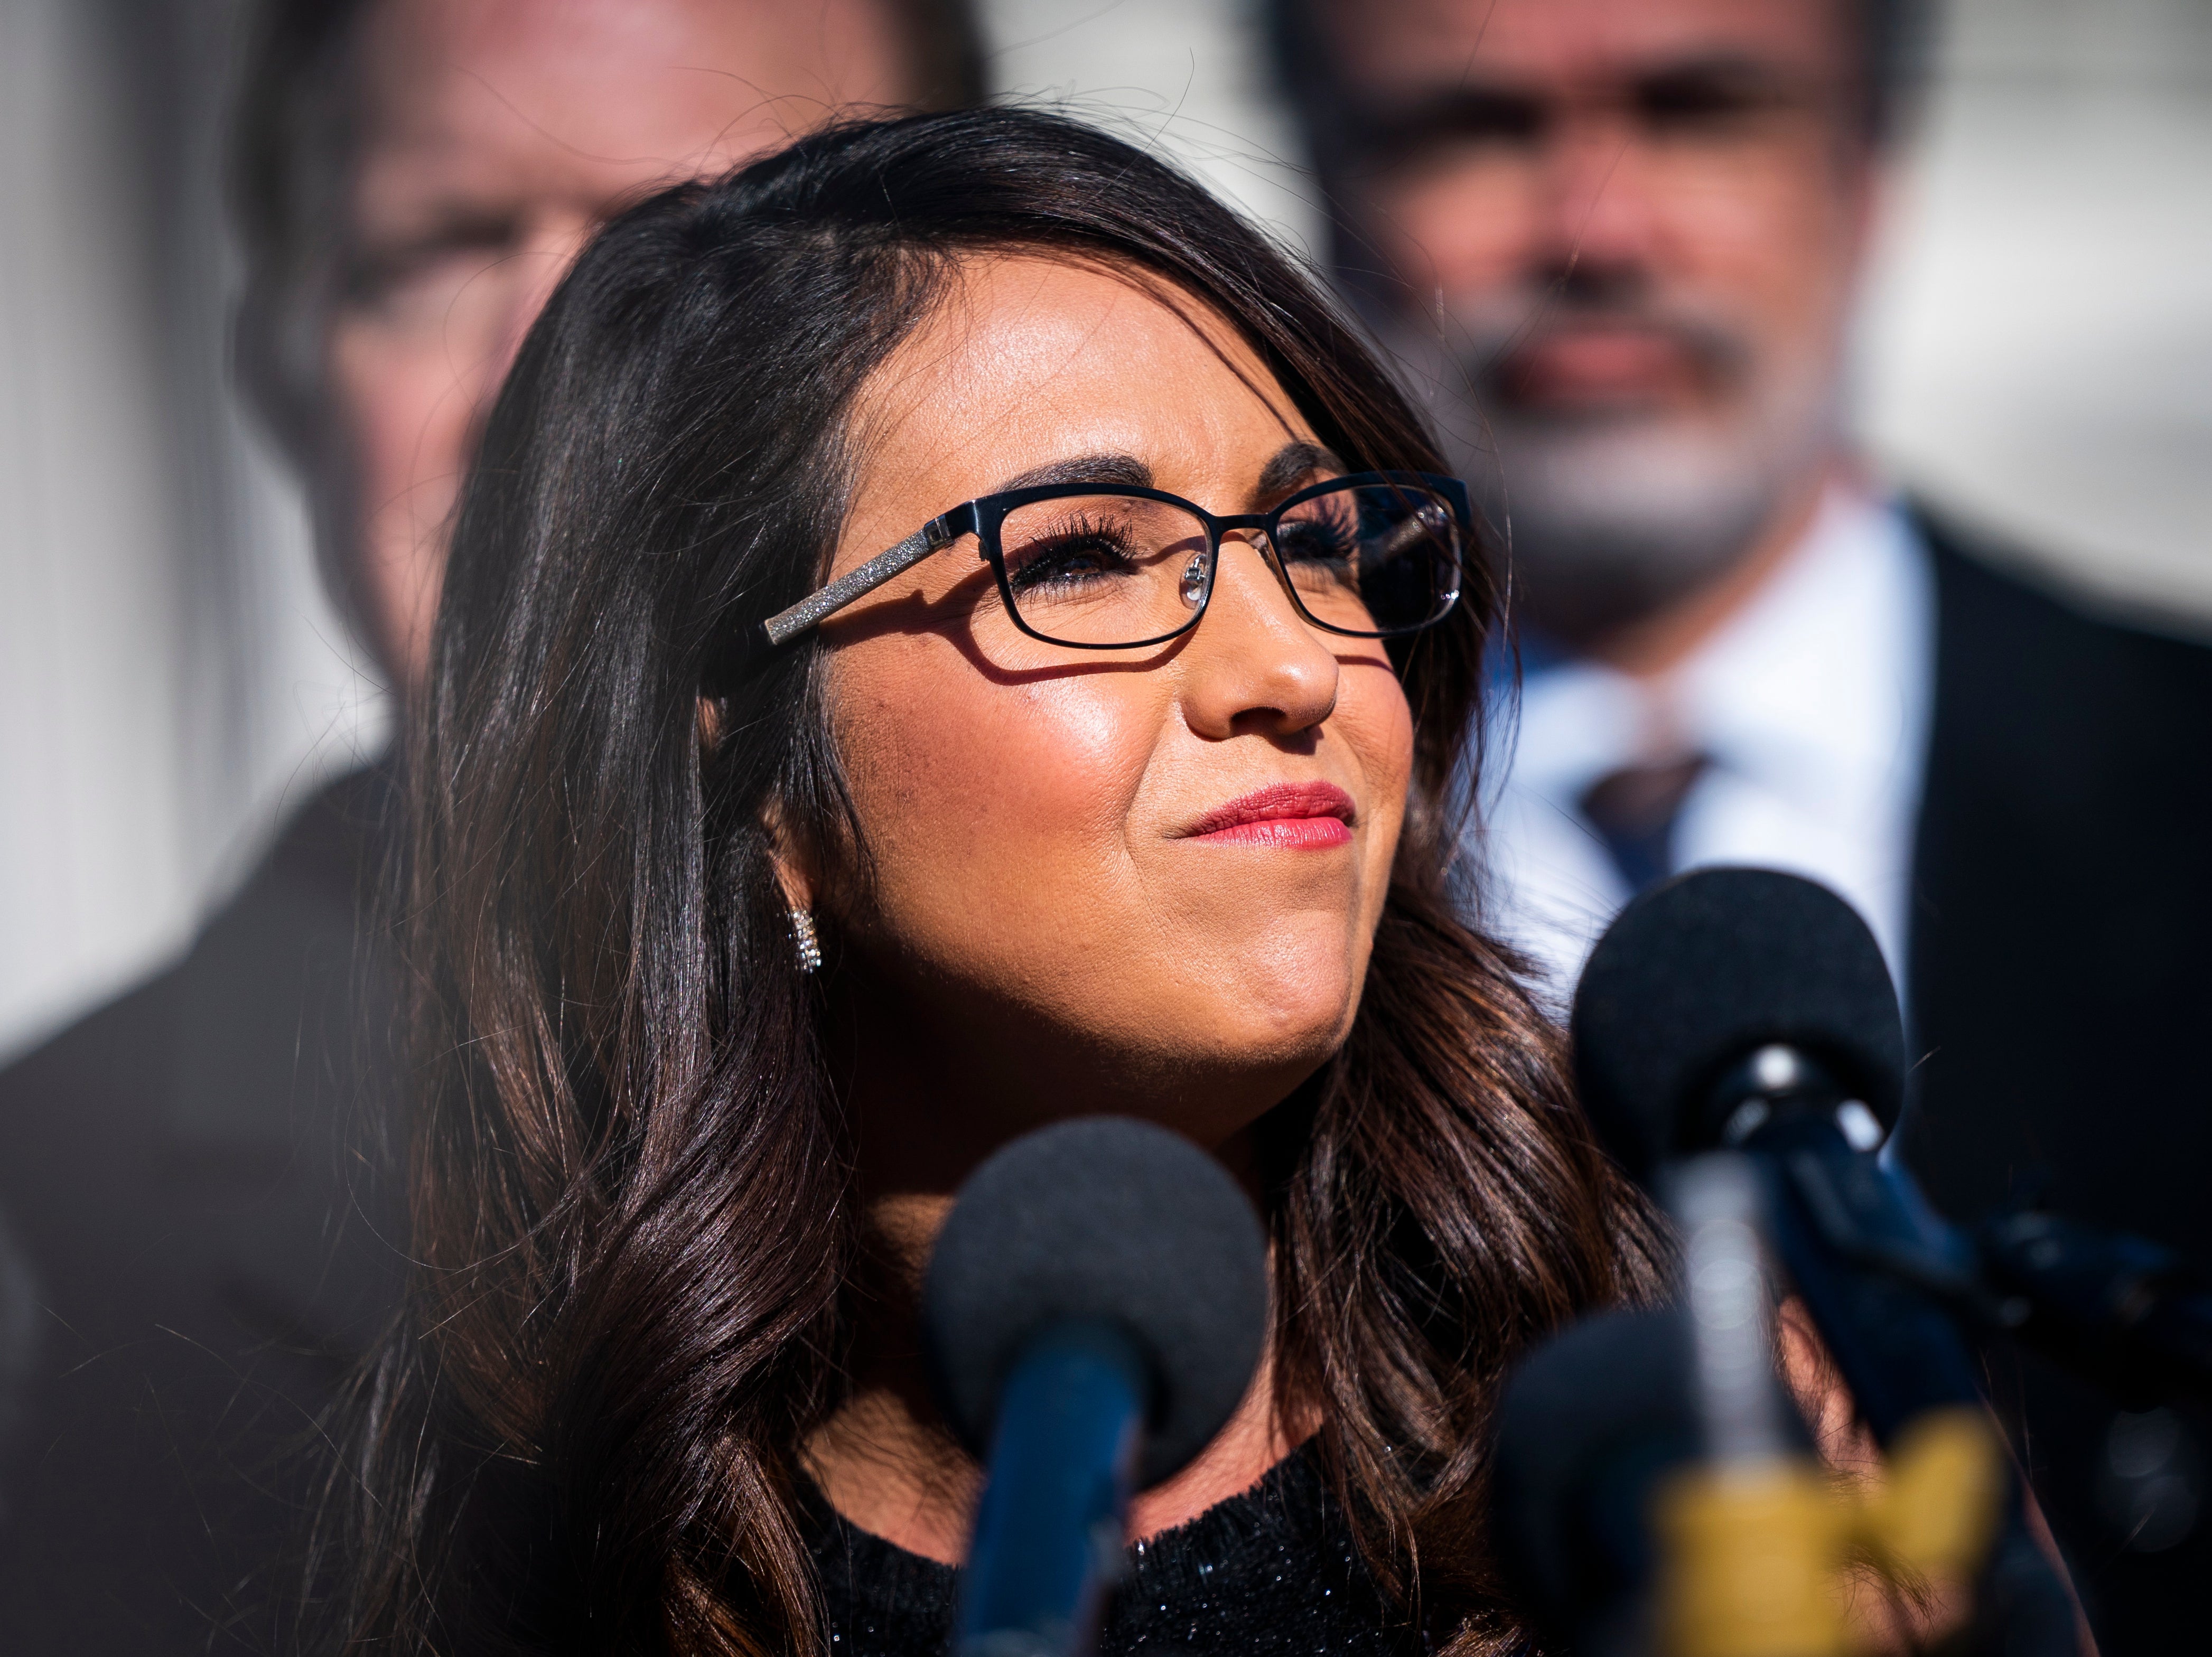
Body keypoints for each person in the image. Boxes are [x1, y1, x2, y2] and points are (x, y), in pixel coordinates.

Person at [332, 104, 1676, 1654]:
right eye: (1081, 558)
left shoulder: (1703, 1427)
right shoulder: (541, 1567)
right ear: (741, 761)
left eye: (1314, 543)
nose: (1295, 664)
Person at [0, 2, 978, 1649]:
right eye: (443, 249)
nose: (550, 373)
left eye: (710, 240)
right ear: (282, 364)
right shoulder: (41, 1242)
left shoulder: (1315, 1064)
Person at [1268, 0, 2212, 1645]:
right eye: (1468, 128)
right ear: (1321, 176)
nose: (1595, 226)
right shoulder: (1189, 847)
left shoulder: (2175, 773)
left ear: (1868, 164)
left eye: (1701, 108)